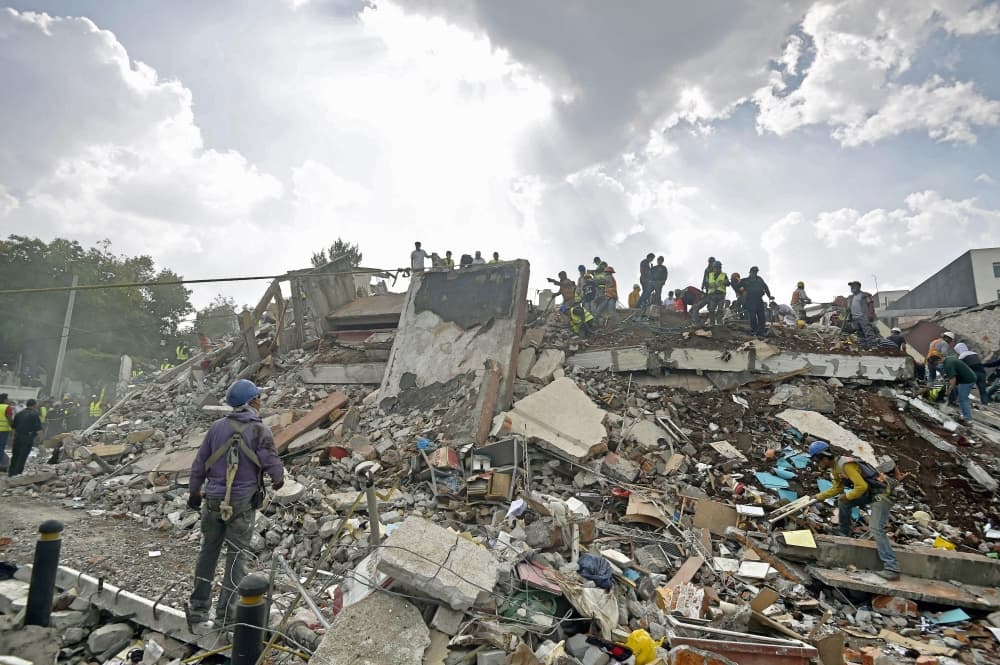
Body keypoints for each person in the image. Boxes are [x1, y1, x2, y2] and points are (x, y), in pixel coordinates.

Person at [187, 379, 284, 626]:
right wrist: (278, 479)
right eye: (258, 397)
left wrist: (194, 491)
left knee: (208, 553)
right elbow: (272, 462)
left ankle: (198, 608)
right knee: (236, 558)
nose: (261, 401)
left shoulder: (216, 428)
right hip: (241, 503)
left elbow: (200, 463)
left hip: (213, 500)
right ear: (252, 402)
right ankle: (226, 617)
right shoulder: (260, 430)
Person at [808, 440, 900, 580]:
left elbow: (861, 486)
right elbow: (837, 489)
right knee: (843, 501)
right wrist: (818, 497)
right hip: (871, 493)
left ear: (824, 457)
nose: (817, 464)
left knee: (876, 528)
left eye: (817, 460)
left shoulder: (845, 464)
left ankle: (892, 567)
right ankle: (844, 532)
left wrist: (848, 495)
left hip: (882, 494)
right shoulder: (835, 469)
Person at [9, 399, 43, 477]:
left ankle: (11, 472)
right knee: (22, 456)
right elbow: (38, 429)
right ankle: (17, 474)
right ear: (34, 405)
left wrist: (12, 438)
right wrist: (41, 439)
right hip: (27, 438)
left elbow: (13, 428)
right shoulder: (34, 414)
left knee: (15, 454)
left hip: (18, 437)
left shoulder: (19, 413)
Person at [939, 354, 977, 422]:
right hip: (967, 377)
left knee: (962, 399)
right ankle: (965, 414)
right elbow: (952, 377)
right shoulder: (949, 358)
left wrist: (949, 390)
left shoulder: (948, 364)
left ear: (939, 360)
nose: (937, 365)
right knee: (961, 398)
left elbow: (953, 380)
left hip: (967, 380)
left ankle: (968, 418)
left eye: (936, 363)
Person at [740, 266, 774, 337]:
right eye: (753, 272)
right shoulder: (744, 280)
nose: (754, 273)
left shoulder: (759, 279)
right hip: (750, 300)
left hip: (758, 299)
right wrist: (742, 295)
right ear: (750, 272)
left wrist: (769, 296)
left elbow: (765, 287)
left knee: (761, 316)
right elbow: (738, 287)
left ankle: (761, 331)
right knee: (752, 316)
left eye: (756, 272)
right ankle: (754, 330)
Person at [846, 281, 877, 348]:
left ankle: (873, 347)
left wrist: (871, 313)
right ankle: (863, 347)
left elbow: (870, 304)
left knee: (868, 332)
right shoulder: (851, 297)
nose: (852, 288)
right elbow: (848, 308)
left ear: (858, 287)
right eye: (851, 287)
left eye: (853, 286)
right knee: (859, 333)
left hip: (863, 317)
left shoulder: (865, 295)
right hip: (855, 318)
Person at [0, 394, 12, 471]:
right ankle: (1, 463)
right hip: (4, 430)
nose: (8, 400)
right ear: (4, 400)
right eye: (7, 399)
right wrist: (12, 428)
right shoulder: (7, 407)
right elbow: (9, 419)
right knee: (1, 447)